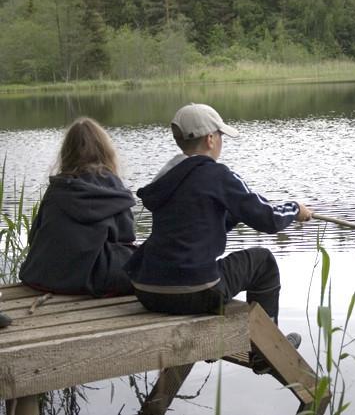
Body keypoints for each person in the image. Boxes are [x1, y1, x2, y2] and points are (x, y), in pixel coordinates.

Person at [125, 103, 312, 335]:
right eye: (221, 135)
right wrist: (295, 209)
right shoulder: (218, 175)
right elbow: (268, 219)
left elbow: (195, 228)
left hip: (148, 292)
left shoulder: (164, 181)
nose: (222, 141)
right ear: (211, 139)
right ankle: (267, 344)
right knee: (264, 262)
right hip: (196, 292)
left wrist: (232, 216)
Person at [19, 118, 136, 297]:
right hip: (90, 278)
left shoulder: (57, 188)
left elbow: (34, 235)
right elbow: (126, 237)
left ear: (67, 152)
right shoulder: (112, 186)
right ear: (106, 151)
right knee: (142, 260)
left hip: (43, 276)